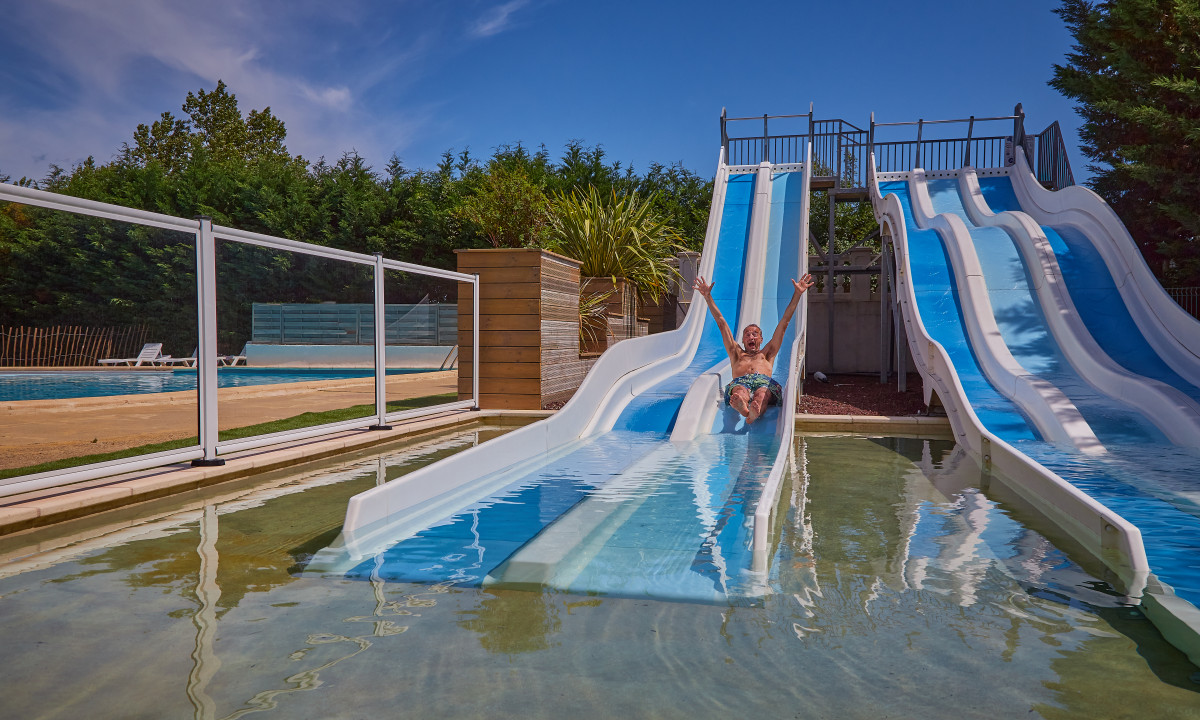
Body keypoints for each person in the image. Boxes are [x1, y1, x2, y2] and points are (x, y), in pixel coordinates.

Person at [692, 273, 815, 424]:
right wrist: (707, 297)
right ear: (743, 340)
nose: (751, 337)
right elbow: (722, 323)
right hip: (740, 381)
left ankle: (754, 412)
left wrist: (797, 294)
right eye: (747, 334)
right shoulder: (736, 353)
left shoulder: (767, 354)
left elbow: (784, 323)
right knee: (739, 392)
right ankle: (744, 409)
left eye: (755, 334)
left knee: (762, 394)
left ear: (761, 339)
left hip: (763, 382)